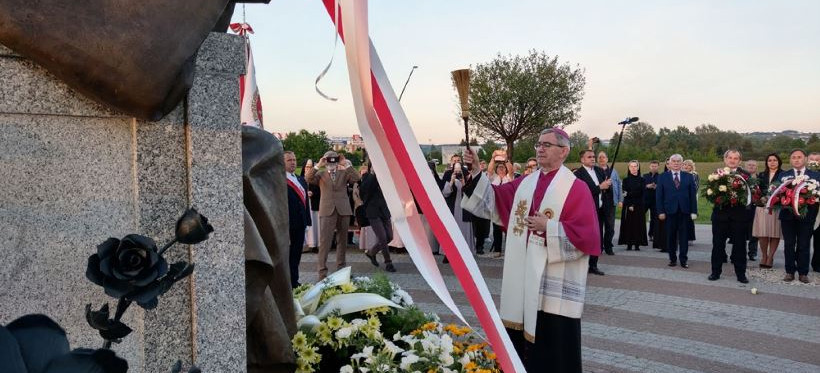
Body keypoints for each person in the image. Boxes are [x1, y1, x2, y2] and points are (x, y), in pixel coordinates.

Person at [460, 127, 600, 372]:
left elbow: (586, 237)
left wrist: (550, 227)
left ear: (564, 152)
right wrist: (476, 172)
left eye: (547, 145)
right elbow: (495, 200)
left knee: (553, 349)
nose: (540, 148)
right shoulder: (526, 183)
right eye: (538, 144)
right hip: (524, 278)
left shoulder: (576, 188)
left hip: (552, 285)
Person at [305, 151, 361, 280]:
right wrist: (319, 164)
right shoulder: (320, 174)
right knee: (325, 242)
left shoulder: (344, 173)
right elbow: (307, 178)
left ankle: (341, 270)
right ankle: (322, 273)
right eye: (329, 159)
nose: (331, 162)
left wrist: (345, 163)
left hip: (343, 210)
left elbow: (357, 178)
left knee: (342, 241)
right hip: (327, 210)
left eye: (334, 160)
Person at [708, 150, 750, 283]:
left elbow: (750, 196)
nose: (732, 160)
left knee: (740, 246)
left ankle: (741, 274)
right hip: (720, 216)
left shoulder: (746, 175)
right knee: (718, 245)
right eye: (730, 158)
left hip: (739, 217)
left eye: (736, 158)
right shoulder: (717, 174)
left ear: (740, 161)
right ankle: (715, 272)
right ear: (725, 159)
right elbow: (710, 194)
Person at [779, 149, 818, 283]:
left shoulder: (815, 176)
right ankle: (790, 271)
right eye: (794, 157)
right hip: (787, 216)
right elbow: (776, 194)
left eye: (799, 157)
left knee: (804, 244)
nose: (796, 159)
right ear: (790, 160)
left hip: (807, 216)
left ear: (805, 159)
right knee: (789, 244)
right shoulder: (783, 175)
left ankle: (803, 273)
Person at [656, 154, 698, 268]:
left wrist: (694, 211)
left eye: (678, 161)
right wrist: (660, 211)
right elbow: (659, 196)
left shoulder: (688, 176)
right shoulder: (662, 177)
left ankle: (683, 260)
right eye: (673, 161)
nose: (675, 163)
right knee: (671, 236)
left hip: (684, 211)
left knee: (684, 237)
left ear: (682, 163)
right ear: (669, 163)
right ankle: (672, 259)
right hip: (669, 212)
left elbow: (692, 196)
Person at [574, 149, 610, 276]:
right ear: (582, 159)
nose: (593, 159)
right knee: (586, 237)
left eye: (594, 157)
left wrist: (607, 185)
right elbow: (583, 191)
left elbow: (605, 187)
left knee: (597, 237)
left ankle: (593, 265)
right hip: (586, 211)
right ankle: (582, 264)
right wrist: (600, 187)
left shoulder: (600, 171)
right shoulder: (578, 174)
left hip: (600, 209)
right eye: (589, 157)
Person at [360, 168, 396, 272]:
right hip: (373, 211)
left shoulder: (386, 176)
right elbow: (365, 190)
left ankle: (371, 252)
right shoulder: (367, 177)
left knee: (389, 236)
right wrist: (374, 174)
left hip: (384, 210)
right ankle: (388, 262)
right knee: (383, 237)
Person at [285, 151, 311, 288]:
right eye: (289, 160)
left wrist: (307, 220)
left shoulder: (300, 180)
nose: (293, 162)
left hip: (300, 222)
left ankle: (294, 280)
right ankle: (288, 282)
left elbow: (305, 202)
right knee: (288, 255)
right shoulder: (280, 180)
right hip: (288, 223)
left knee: (296, 254)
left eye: (294, 160)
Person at [753, 153, 783, 269]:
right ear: (766, 162)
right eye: (769, 160)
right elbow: (756, 191)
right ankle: (764, 256)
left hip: (777, 208)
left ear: (778, 162)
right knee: (763, 234)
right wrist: (761, 198)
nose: (772, 162)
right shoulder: (761, 175)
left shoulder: (783, 175)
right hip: (762, 208)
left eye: (775, 160)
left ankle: (770, 257)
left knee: (774, 234)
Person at [442, 161, 474, 260]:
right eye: (455, 170)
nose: (457, 172)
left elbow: (470, 195)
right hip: (453, 209)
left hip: (464, 210)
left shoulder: (467, 180)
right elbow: (445, 193)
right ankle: (450, 253)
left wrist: (464, 183)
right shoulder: (450, 180)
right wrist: (451, 181)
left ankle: (464, 252)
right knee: (452, 231)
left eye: (459, 170)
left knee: (463, 230)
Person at [487, 150, 514, 258]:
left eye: (503, 167)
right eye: (499, 167)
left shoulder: (509, 178)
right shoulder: (494, 178)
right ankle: (497, 250)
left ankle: (509, 250)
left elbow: (511, 171)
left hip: (508, 208)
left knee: (509, 230)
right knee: (497, 230)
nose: (501, 169)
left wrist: (506, 159)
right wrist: (493, 159)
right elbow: (489, 170)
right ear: (497, 170)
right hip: (496, 207)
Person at [618, 161, 648, 251]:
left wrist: (630, 194)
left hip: (639, 205)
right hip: (628, 205)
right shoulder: (626, 180)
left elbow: (642, 193)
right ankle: (629, 244)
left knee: (638, 224)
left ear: (638, 168)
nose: (634, 168)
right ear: (629, 168)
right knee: (629, 224)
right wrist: (630, 204)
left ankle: (637, 244)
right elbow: (624, 193)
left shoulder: (642, 180)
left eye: (635, 166)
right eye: (632, 166)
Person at [596, 151, 620, 255]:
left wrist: (620, 200)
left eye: (603, 157)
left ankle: (608, 246)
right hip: (599, 202)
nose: (602, 159)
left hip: (610, 202)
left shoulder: (613, 171)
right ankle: (599, 246)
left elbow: (619, 185)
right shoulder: (594, 171)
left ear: (607, 159)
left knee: (610, 226)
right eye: (599, 157)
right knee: (598, 226)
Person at [744, 159, 759, 260]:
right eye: (749, 165)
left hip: (756, 208)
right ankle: (740, 252)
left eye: (753, 165)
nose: (751, 167)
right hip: (743, 208)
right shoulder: (741, 177)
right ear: (745, 166)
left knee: (754, 231)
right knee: (741, 231)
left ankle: (752, 253)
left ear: (756, 167)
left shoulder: (760, 178)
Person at [682, 159, 699, 242]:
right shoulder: (680, 174)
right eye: (685, 164)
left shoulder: (694, 175)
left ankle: (690, 237)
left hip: (690, 199)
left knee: (689, 219)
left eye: (688, 165)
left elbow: (695, 188)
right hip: (681, 199)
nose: (686, 166)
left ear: (692, 167)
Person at [643, 160, 661, 242]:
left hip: (655, 200)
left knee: (654, 218)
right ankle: (640, 234)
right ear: (649, 166)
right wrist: (647, 186)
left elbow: (663, 188)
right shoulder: (645, 176)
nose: (654, 168)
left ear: (658, 167)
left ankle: (652, 234)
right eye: (652, 166)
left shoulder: (661, 177)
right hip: (645, 199)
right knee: (640, 216)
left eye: (655, 166)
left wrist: (657, 187)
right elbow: (641, 186)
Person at [809, 152, 820, 273]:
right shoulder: (804, 174)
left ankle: (817, 263)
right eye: (812, 159)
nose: (814, 162)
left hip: (819, 213)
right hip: (807, 210)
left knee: (818, 240)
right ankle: (800, 262)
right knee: (803, 240)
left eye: (817, 160)